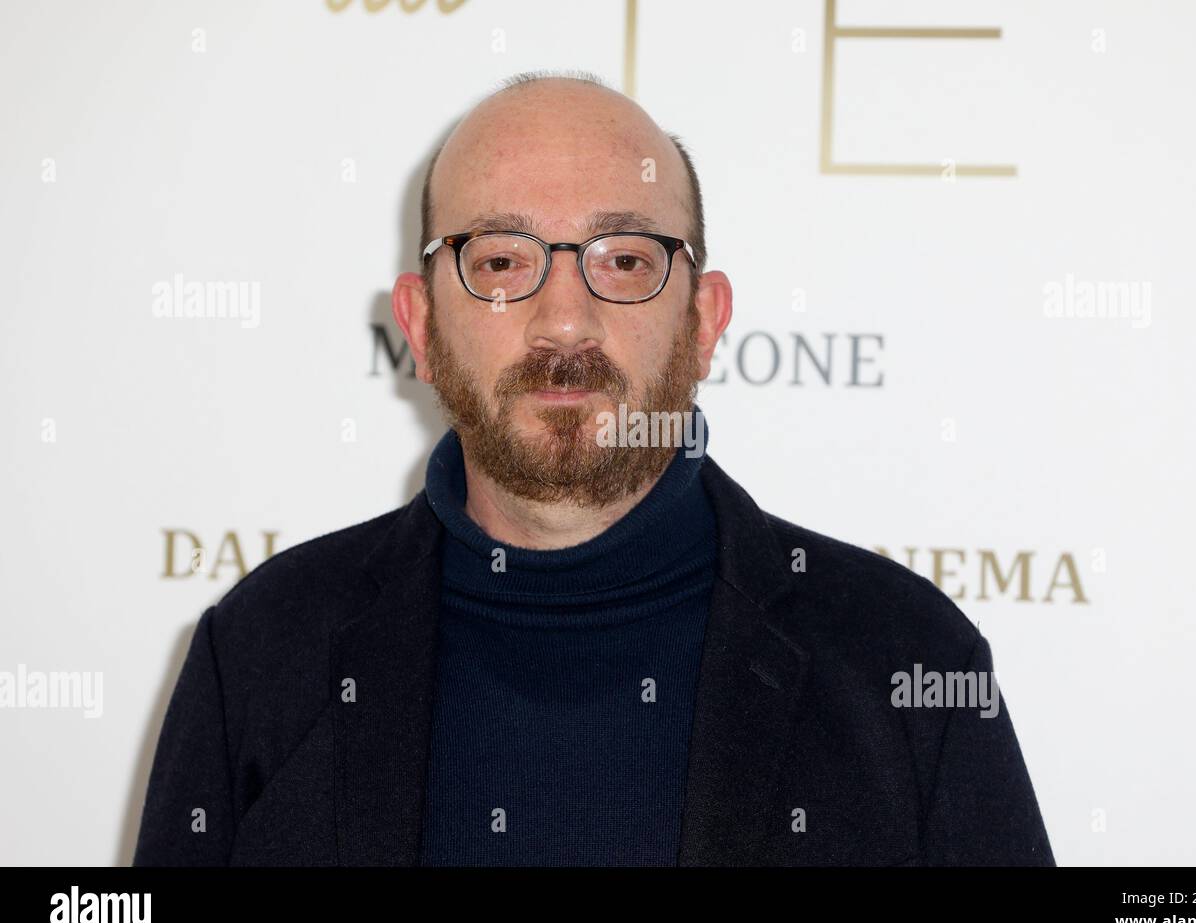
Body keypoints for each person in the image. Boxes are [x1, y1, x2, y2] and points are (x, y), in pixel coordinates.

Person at [133, 70, 1054, 867]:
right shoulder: (257, 657)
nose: (563, 322)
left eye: (624, 260)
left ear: (704, 321)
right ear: (418, 324)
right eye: (499, 260)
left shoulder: (908, 661)